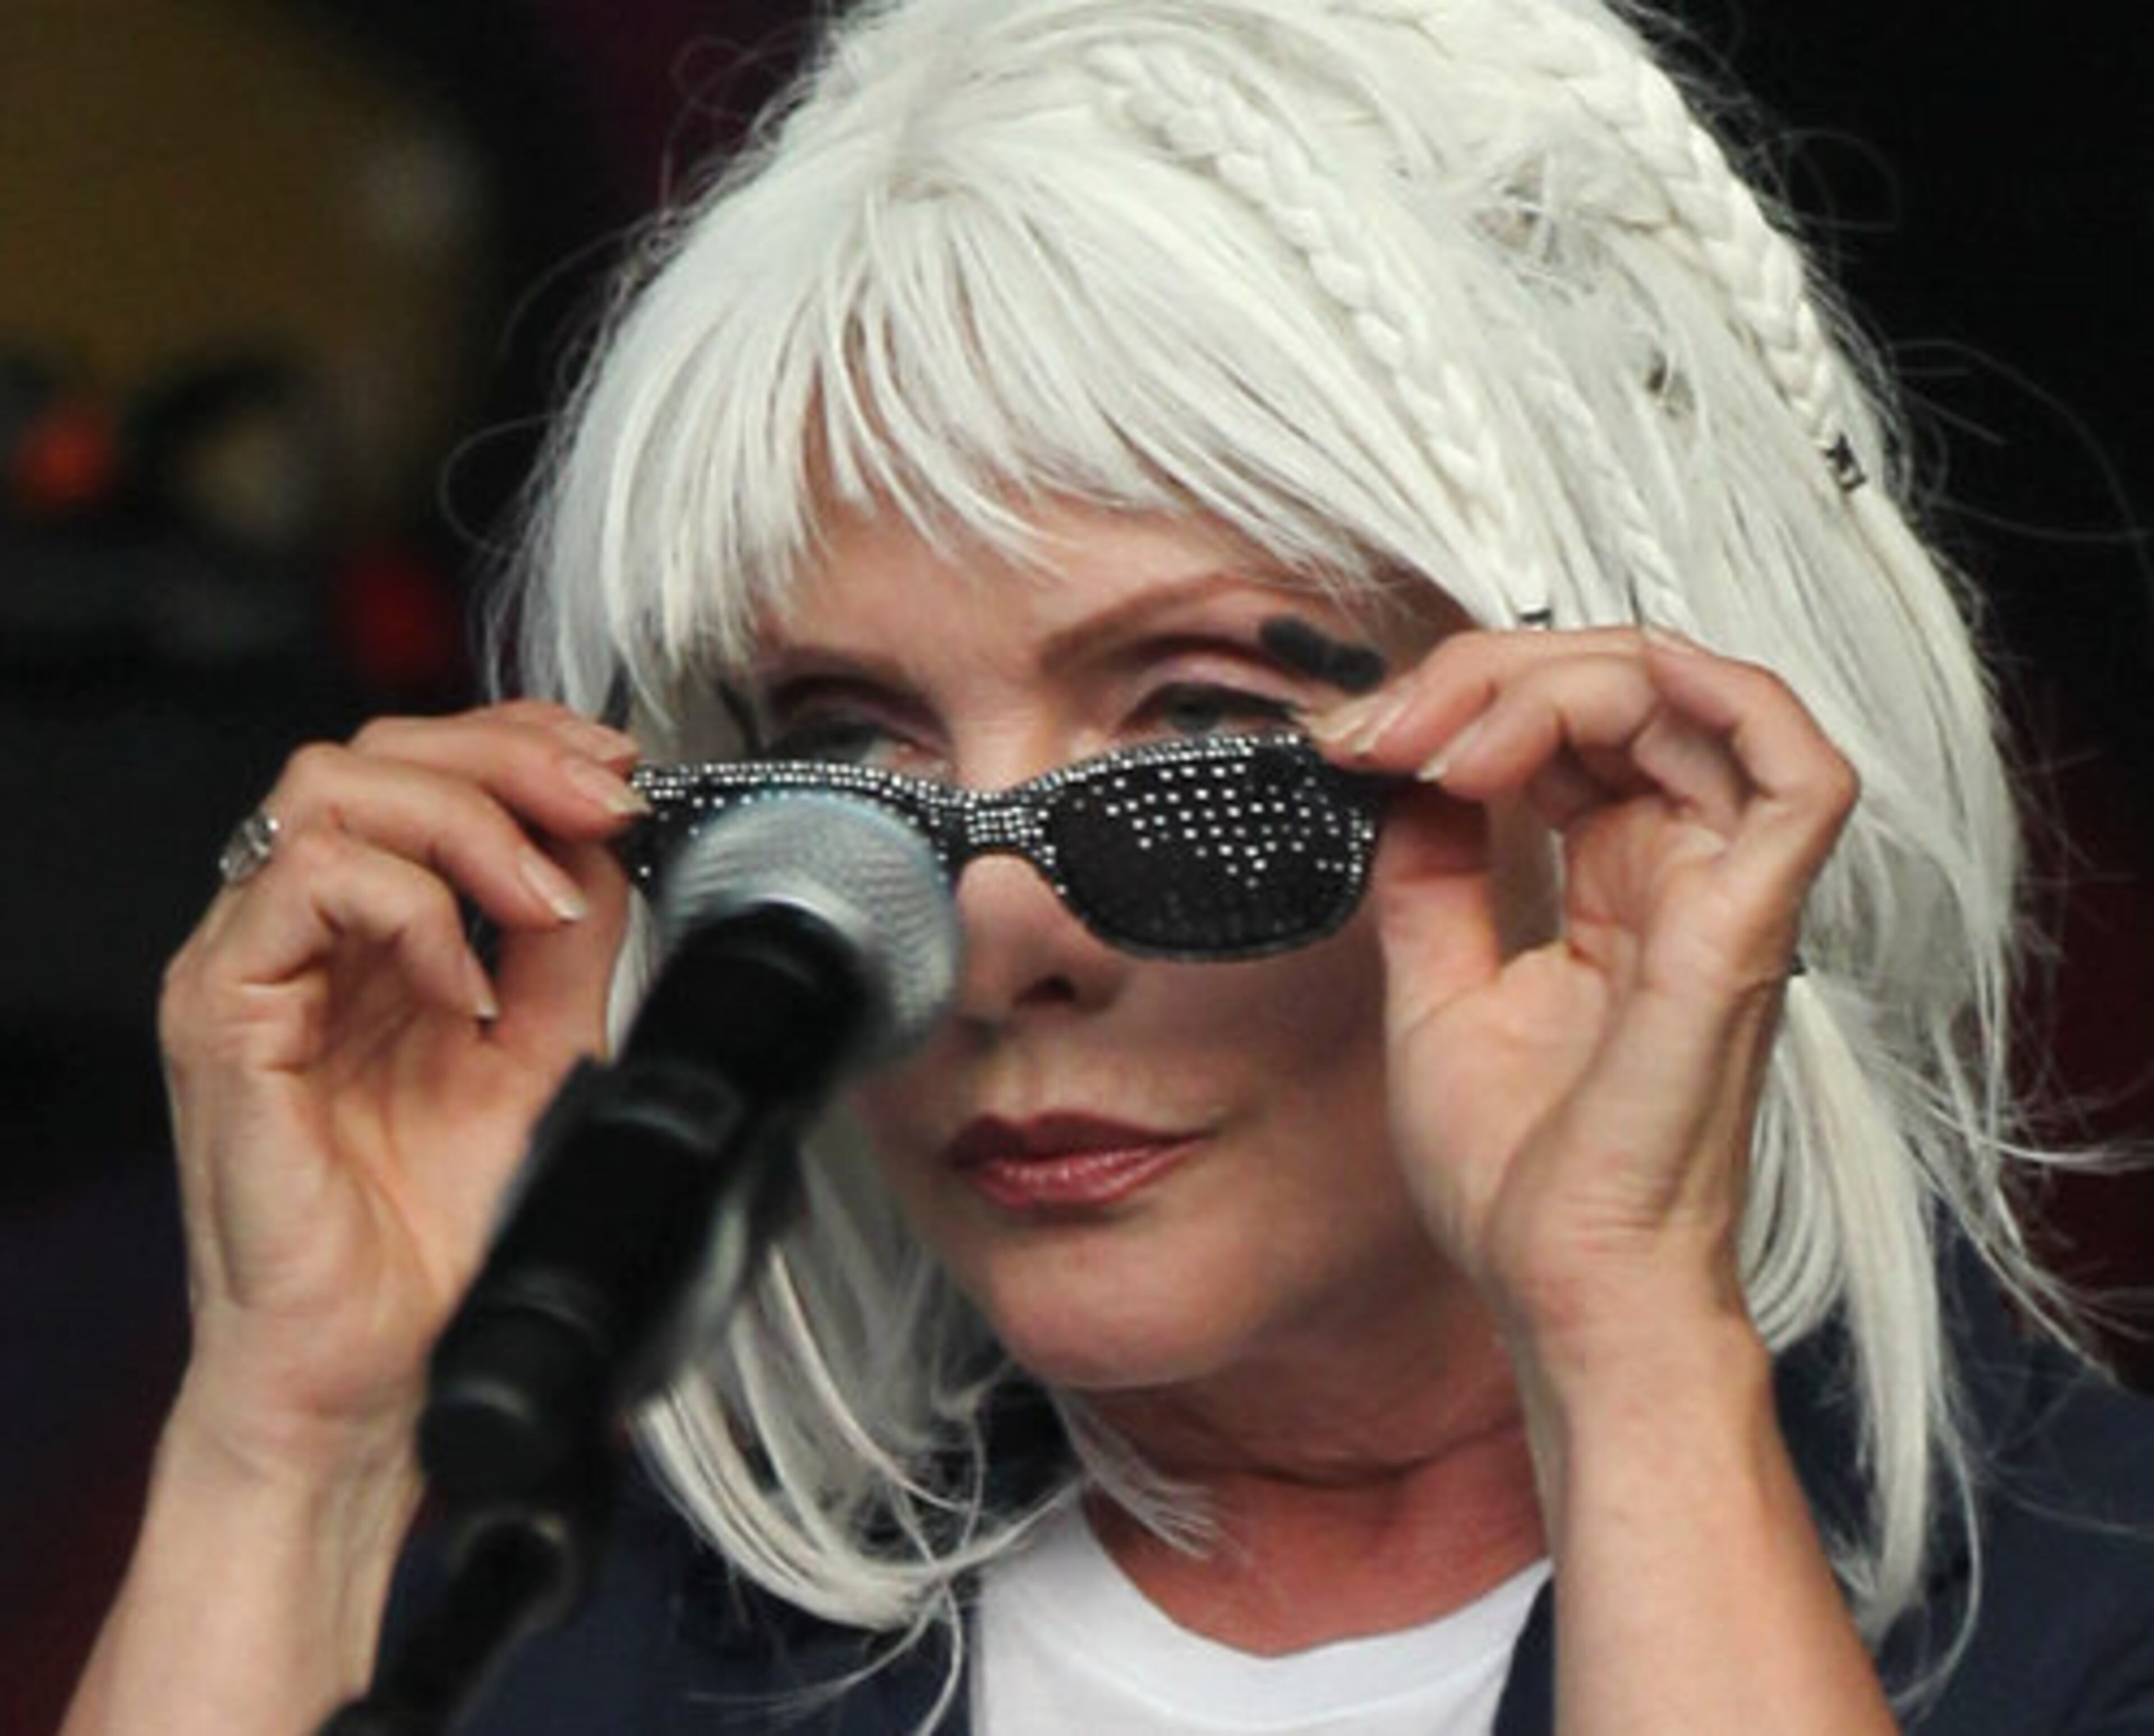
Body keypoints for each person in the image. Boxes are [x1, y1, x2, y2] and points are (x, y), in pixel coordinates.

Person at [62, 0, 2154, 1732]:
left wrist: (1632, 1347)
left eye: (1202, 741)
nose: (987, 941)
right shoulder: (585, 1644)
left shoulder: (2085, 1621)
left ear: (1619, 766)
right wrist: (292, 1442)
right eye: (847, 761)